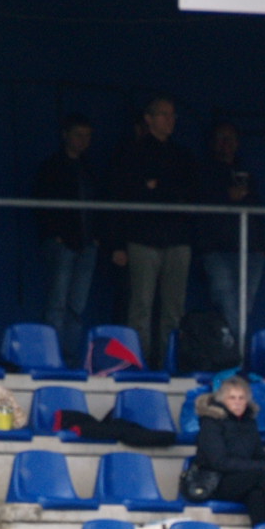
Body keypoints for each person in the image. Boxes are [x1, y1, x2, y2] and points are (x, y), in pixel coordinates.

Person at [108, 95, 198, 367]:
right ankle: (139, 365)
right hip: (142, 238)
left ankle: (170, 363)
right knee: (140, 307)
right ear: (148, 118)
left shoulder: (182, 154)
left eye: (173, 115)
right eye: (163, 114)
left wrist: (156, 188)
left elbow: (190, 192)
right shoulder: (132, 153)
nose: (170, 120)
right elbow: (125, 194)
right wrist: (117, 243)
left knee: (174, 310)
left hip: (177, 239)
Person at [34, 113, 97, 361]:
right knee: (57, 305)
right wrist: (56, 235)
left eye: (87, 136)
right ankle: (52, 359)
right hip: (62, 244)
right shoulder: (52, 166)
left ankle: (68, 359)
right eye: (78, 135)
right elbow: (42, 204)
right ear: (65, 136)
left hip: (87, 244)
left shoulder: (89, 169)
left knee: (76, 308)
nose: (83, 141)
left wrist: (96, 238)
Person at [195, 121, 265, 338]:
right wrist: (226, 196)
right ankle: (235, 354)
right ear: (212, 142)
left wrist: (261, 246)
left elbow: (256, 211)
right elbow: (199, 204)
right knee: (226, 303)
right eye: (221, 138)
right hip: (217, 249)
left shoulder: (246, 173)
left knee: (245, 306)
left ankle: (232, 351)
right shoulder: (203, 172)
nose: (226, 144)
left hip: (250, 250)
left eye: (230, 139)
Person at [192, 376, 265, 525]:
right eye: (232, 398)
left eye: (241, 398)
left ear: (247, 401)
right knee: (261, 475)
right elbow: (219, 462)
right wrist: (261, 467)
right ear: (222, 400)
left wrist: (261, 466)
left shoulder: (249, 423)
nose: (237, 402)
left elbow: (259, 456)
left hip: (244, 480)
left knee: (257, 494)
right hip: (215, 482)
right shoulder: (211, 422)